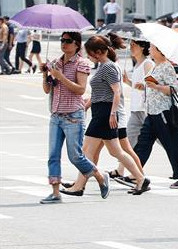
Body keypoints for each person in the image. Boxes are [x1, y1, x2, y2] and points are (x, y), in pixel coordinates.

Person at [61, 35, 148, 197]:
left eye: (90, 53)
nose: (88, 57)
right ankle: (141, 179)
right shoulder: (104, 66)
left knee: (87, 151)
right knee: (115, 152)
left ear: (98, 52)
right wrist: (87, 105)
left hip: (104, 113)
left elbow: (117, 92)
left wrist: (112, 113)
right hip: (101, 111)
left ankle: (79, 186)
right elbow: (100, 92)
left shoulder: (108, 67)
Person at [39, 31, 110, 204]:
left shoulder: (82, 63)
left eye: (68, 41)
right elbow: (47, 90)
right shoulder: (55, 63)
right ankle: (55, 192)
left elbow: (80, 90)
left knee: (75, 156)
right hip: (56, 115)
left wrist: (60, 77)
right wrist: (45, 74)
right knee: (53, 155)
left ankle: (100, 176)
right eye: (62, 40)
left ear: (77, 44)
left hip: (73, 116)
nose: (64, 43)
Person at [134, 44, 178, 189]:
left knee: (173, 143)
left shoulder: (167, 67)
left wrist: (156, 86)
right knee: (143, 143)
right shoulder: (156, 66)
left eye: (152, 48)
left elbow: (173, 89)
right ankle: (135, 174)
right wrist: (144, 85)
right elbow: (153, 84)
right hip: (152, 112)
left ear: (160, 51)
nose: (149, 49)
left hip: (164, 112)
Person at [111, 39, 154, 186]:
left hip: (144, 109)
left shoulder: (148, 64)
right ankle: (121, 170)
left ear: (142, 47)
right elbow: (137, 86)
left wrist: (144, 86)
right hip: (136, 109)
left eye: (133, 45)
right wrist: (127, 81)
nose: (131, 47)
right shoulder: (137, 65)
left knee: (163, 139)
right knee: (129, 141)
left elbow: (152, 84)